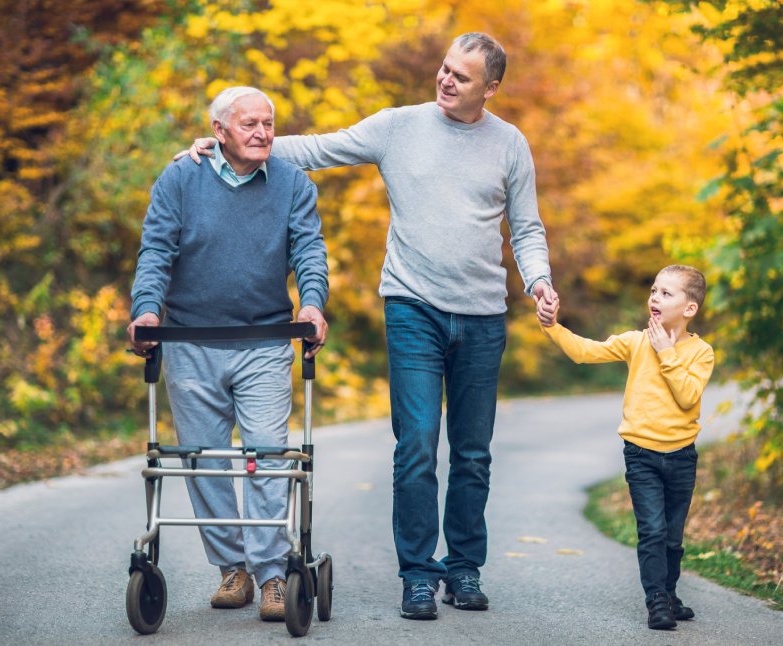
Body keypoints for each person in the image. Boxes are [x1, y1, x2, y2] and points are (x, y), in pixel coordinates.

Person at [179, 32, 556, 620]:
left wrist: (538, 281)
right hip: (411, 307)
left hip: (483, 315)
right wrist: (229, 145)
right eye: (445, 68)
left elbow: (526, 228)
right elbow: (314, 150)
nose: (446, 80)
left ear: (491, 87)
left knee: (473, 452)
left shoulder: (509, 144)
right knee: (414, 448)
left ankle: (463, 568)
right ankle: (418, 575)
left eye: (462, 75)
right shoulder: (398, 126)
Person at [128, 86, 329, 622]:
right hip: (189, 340)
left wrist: (311, 304)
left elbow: (309, 249)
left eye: (268, 123)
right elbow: (156, 249)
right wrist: (147, 310)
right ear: (219, 131)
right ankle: (231, 569)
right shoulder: (180, 177)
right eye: (250, 124)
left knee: (265, 454)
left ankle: (270, 577)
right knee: (204, 460)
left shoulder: (292, 183)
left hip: (264, 340)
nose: (263, 133)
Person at [535, 265, 714, 631]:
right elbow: (586, 352)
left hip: (681, 456)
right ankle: (656, 602)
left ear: (690, 308)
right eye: (653, 291)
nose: (655, 298)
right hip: (641, 454)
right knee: (651, 530)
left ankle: (669, 592)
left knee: (673, 536)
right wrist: (552, 326)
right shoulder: (636, 342)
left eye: (666, 293)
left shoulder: (701, 353)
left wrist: (667, 353)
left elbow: (687, 396)